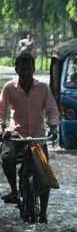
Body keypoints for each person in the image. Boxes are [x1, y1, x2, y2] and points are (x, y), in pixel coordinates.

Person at [0, 50, 60, 222]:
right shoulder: (9, 88)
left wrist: (53, 127)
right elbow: (1, 111)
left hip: (37, 137)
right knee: (6, 158)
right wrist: (1, 128)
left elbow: (52, 110)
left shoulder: (43, 88)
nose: (25, 72)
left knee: (44, 174)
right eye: (22, 68)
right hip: (16, 135)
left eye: (28, 68)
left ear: (33, 69)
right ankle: (14, 190)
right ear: (16, 69)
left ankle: (43, 213)